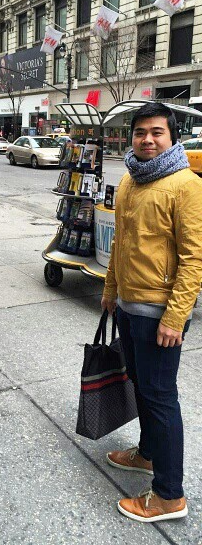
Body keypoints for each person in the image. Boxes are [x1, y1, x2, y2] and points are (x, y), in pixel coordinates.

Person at [101, 102, 202, 523]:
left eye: (156, 132)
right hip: (128, 305)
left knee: (160, 398)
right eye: (140, 132)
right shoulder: (130, 179)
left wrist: (176, 318)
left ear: (171, 136)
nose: (147, 139)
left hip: (159, 312)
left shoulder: (186, 185)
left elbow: (194, 258)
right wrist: (110, 289)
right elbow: (122, 241)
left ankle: (169, 495)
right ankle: (147, 453)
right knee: (141, 386)